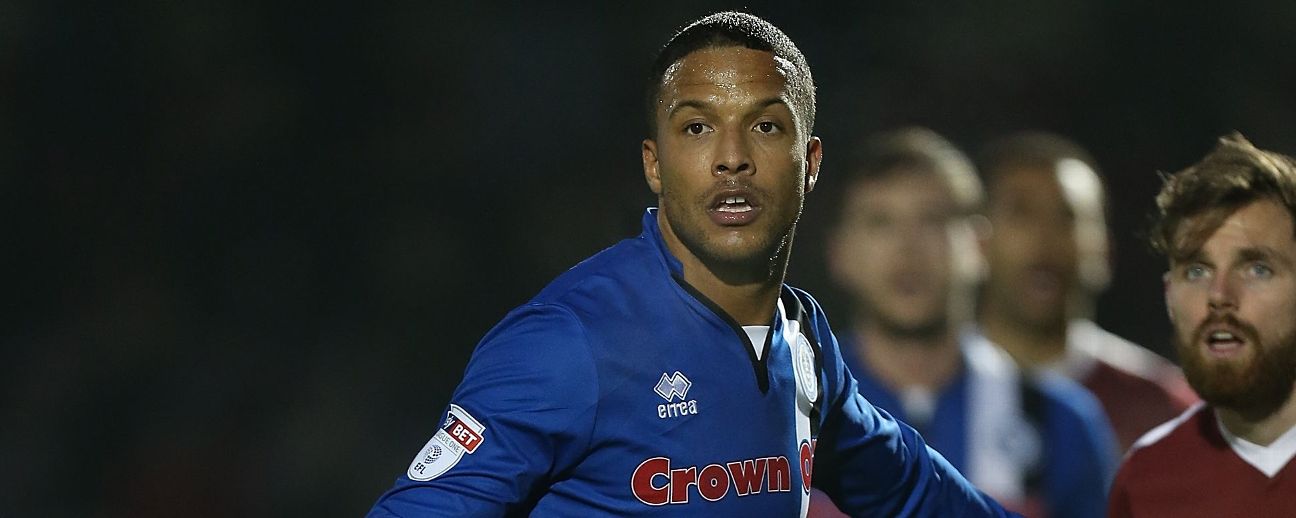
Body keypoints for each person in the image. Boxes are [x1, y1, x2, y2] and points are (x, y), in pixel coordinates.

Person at [366, 12, 1011, 517]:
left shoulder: (803, 341)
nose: (732, 157)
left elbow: (912, 491)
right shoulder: (569, 343)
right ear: (653, 163)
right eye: (697, 128)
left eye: (764, 127)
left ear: (810, 164)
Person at [811, 128, 1115, 518]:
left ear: (980, 246)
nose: (907, 248)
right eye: (880, 222)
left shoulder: (1060, 423)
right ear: (839, 254)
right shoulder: (793, 410)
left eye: (933, 220)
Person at [1107, 134, 1296, 517]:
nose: (1219, 295)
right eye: (1196, 270)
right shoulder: (1145, 479)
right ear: (1169, 297)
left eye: (1257, 268)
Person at [975, 132, 1198, 451]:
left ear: (1105, 252)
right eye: (1021, 213)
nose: (1044, 238)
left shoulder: (1166, 409)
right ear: (978, 243)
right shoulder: (920, 400)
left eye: (1068, 216)